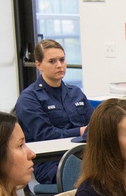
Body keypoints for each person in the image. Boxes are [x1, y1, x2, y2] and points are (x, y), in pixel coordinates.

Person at [14, 39, 93, 184]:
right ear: (39, 65)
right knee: (97, 175)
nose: (59, 65)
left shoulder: (75, 92)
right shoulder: (29, 99)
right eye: (52, 61)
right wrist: (81, 131)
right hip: (51, 162)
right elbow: (46, 135)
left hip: (83, 155)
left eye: (62, 60)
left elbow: (94, 123)